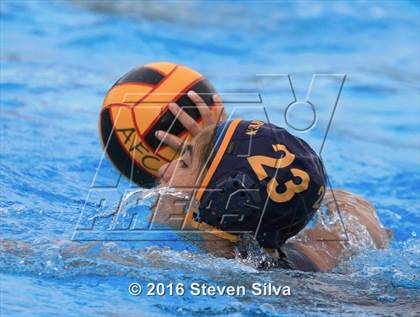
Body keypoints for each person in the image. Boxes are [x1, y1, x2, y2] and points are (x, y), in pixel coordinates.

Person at [153, 91, 392, 271]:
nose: (164, 168)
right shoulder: (316, 255)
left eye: (183, 163)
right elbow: (358, 209)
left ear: (226, 201)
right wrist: (218, 145)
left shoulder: (180, 267)